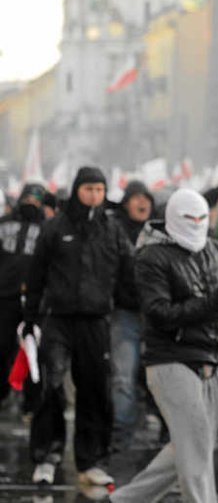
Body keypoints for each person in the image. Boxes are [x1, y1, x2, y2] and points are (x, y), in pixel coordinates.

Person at [110, 188, 218, 503]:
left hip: (211, 358)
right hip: (171, 359)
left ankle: (123, 500)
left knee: (190, 446)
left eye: (201, 217)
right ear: (172, 217)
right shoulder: (151, 256)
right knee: (195, 445)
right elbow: (160, 315)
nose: (197, 223)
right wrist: (215, 301)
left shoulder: (214, 249)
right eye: (190, 218)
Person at [26, 167, 133, 486]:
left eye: (100, 190)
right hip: (58, 318)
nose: (95, 195)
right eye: (89, 189)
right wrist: (30, 318)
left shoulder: (112, 230)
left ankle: (92, 459)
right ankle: (46, 455)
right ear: (76, 190)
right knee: (51, 384)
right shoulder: (54, 227)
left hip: (96, 320)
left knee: (95, 389)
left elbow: (129, 273)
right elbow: (36, 274)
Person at [110, 180, 154, 451]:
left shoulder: (159, 233)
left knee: (160, 373)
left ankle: (163, 425)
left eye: (146, 198)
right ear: (126, 203)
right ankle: (121, 430)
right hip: (124, 312)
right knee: (123, 375)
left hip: (156, 315)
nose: (143, 203)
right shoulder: (114, 231)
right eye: (137, 198)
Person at [0, 183, 46, 406]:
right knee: (2, 346)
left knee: (31, 350)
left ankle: (30, 401)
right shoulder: (4, 224)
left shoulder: (47, 229)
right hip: (5, 296)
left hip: (34, 299)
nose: (32, 203)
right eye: (28, 198)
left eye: (37, 200)